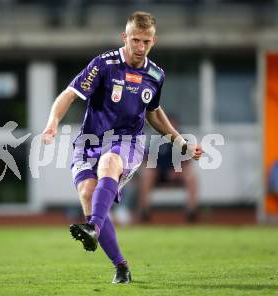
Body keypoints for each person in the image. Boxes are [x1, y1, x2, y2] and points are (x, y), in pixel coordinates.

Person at [41, 11, 203, 284]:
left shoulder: (155, 75)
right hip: (89, 143)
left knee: (109, 163)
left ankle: (93, 226)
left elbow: (153, 112)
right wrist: (52, 123)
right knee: (87, 194)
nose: (140, 47)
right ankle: (121, 267)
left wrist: (180, 141)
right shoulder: (104, 64)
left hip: (127, 141)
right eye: (136, 40)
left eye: (146, 42)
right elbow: (70, 94)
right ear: (124, 37)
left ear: (154, 41)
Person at [138, 117, 199, 223]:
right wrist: (153, 169)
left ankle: (191, 211)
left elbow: (188, 159)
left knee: (191, 176)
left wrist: (178, 170)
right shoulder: (154, 137)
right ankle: (144, 211)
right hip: (157, 172)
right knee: (147, 175)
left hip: (177, 172)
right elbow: (145, 158)